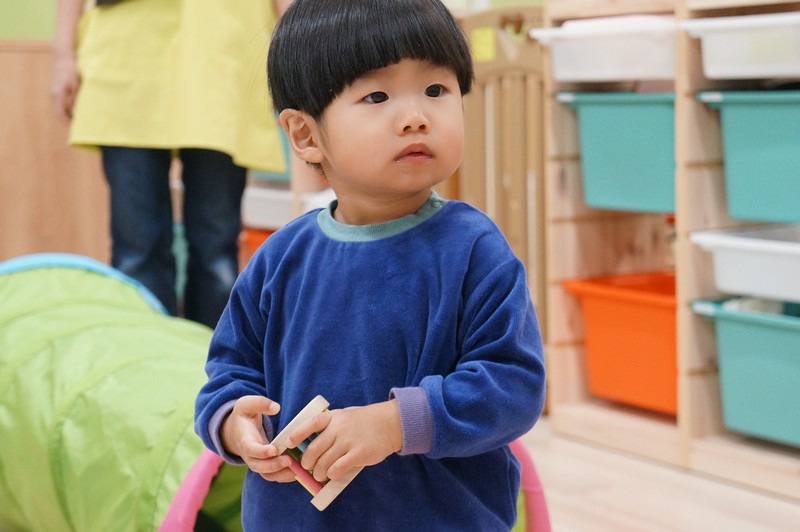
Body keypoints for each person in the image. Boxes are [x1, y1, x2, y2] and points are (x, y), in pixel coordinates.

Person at [194, 0, 547, 529]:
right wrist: (232, 424)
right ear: (306, 135)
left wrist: (395, 423)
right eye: (377, 96)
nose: (416, 117)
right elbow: (229, 372)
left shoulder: (475, 250)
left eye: (436, 89)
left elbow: (513, 385)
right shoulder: (279, 259)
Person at [50, 0, 292, 328]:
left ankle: (219, 357)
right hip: (127, 49)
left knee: (216, 252)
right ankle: (147, 353)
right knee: (137, 253)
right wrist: (63, 55)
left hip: (222, 49)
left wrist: (296, 53)